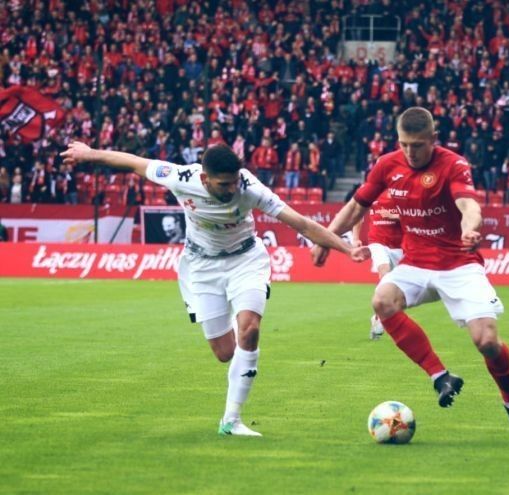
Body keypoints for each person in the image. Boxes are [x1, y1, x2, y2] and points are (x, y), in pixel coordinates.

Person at [61, 141, 365, 437]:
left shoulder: (250, 188)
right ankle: (237, 325)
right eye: (224, 184)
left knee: (250, 330)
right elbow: (133, 162)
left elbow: (302, 224)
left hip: (246, 260)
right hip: (202, 267)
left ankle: (231, 420)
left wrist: (347, 248)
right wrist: (89, 154)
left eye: (234, 182)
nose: (232, 189)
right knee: (225, 353)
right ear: (205, 179)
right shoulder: (181, 178)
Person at [312, 107, 509, 442]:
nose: (410, 152)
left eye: (417, 145)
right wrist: (325, 239)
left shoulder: (453, 164)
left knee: (487, 342)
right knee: (382, 301)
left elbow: (469, 206)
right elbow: (357, 206)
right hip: (415, 263)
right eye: (404, 144)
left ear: (433, 138)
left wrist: (470, 228)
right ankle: (440, 377)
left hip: (459, 264)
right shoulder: (387, 165)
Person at [351, 190, 403, 340]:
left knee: (397, 290)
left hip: (400, 246)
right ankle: (380, 313)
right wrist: (355, 238)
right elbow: (358, 214)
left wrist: (394, 216)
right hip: (377, 242)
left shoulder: (403, 190)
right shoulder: (372, 191)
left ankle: (377, 317)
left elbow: (416, 217)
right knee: (384, 271)